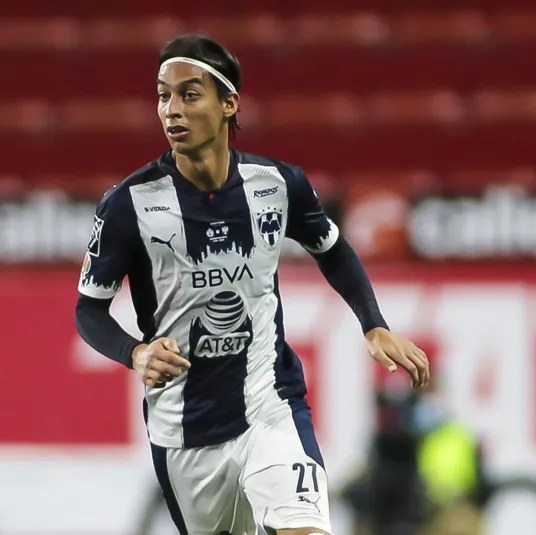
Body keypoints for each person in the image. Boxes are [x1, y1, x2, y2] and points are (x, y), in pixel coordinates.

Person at [75, 33, 430, 535]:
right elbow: (88, 310)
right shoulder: (127, 205)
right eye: (163, 96)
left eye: (189, 94)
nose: (172, 109)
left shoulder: (278, 184)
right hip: (184, 431)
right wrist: (135, 353)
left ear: (229, 104)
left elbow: (331, 248)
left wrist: (374, 325)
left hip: (271, 406)